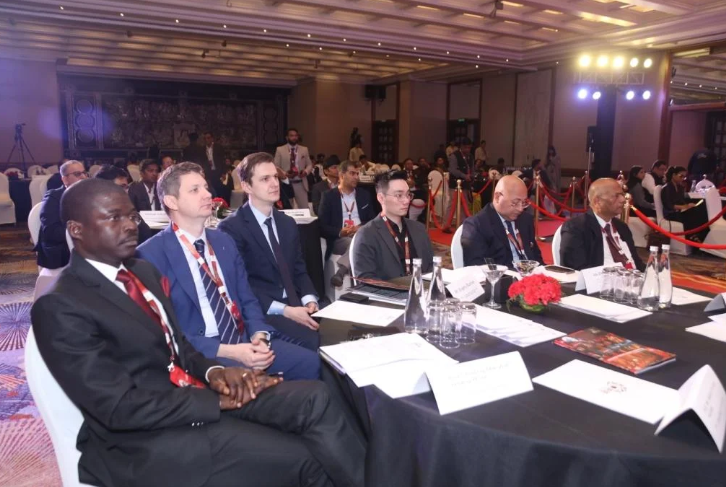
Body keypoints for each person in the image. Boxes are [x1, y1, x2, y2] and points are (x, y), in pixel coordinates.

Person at [33, 178, 365, 487]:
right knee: (304, 456)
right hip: (146, 440)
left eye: (132, 216)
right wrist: (214, 399)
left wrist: (217, 372)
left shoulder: (141, 272)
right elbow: (118, 408)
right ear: (76, 229)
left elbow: (178, 345)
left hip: (194, 394)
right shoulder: (62, 305)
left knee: (316, 398)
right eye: (114, 217)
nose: (130, 225)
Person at [137, 163, 320, 379]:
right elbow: (164, 330)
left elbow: (247, 299)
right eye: (195, 190)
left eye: (205, 187)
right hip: (203, 353)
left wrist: (259, 336)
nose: (207, 194)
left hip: (244, 338)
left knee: (313, 363)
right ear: (171, 201)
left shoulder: (223, 241)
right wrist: (230, 351)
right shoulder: (150, 255)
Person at [218, 154, 322, 352]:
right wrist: (286, 310)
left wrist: (309, 300)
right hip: (264, 310)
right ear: (247, 186)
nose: (275, 183)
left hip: (296, 303)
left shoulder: (287, 223)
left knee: (342, 332)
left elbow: (299, 269)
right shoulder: (232, 228)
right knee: (316, 343)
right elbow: (241, 285)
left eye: (275, 177)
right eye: (265, 179)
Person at [352, 171, 434, 281]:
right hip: (386, 291)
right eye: (399, 195)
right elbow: (366, 280)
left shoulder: (419, 228)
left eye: (408, 195)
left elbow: (431, 267)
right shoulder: (367, 234)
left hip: (421, 289)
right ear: (381, 198)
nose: (406, 201)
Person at [560, 178, 645, 271]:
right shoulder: (577, 228)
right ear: (597, 201)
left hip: (634, 277)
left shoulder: (621, 227)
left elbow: (637, 263)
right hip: (602, 278)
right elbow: (575, 269)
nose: (623, 199)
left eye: (622, 194)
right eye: (616, 196)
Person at [462, 175, 543, 268]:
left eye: (524, 202)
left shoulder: (526, 219)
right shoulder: (477, 225)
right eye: (515, 203)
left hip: (531, 274)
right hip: (504, 275)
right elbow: (477, 268)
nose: (520, 208)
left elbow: (537, 259)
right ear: (497, 197)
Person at [318, 160, 376, 287]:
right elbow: (321, 226)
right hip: (340, 239)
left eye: (357, 174)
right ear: (342, 175)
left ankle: (341, 272)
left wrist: (360, 227)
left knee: (360, 241)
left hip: (362, 234)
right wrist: (340, 232)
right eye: (352, 173)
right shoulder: (328, 196)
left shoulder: (364, 195)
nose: (356, 177)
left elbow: (372, 220)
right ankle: (359, 285)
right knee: (355, 243)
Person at [35, 160, 87, 270]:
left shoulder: (89, 196)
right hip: (60, 252)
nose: (83, 177)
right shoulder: (53, 198)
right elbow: (51, 232)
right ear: (65, 179)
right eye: (77, 174)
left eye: (84, 173)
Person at [95, 165, 153, 245]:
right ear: (104, 188)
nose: (126, 192)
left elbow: (146, 234)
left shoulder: (129, 210)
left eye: (126, 187)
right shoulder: (96, 216)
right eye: (121, 187)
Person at [661, 165, 709, 242]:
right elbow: (669, 206)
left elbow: (682, 201)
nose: (683, 178)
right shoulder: (666, 187)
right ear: (674, 175)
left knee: (703, 211)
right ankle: (694, 236)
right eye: (681, 176)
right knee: (697, 214)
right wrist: (685, 206)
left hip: (679, 211)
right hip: (671, 214)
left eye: (684, 177)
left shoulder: (680, 187)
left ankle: (698, 235)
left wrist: (688, 205)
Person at [274, 128, 312, 209]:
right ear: (287, 137)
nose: (294, 138)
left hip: (300, 183)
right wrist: (285, 174)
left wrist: (305, 171)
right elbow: (276, 166)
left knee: (304, 208)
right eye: (291, 136)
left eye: (296, 136)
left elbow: (309, 164)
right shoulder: (280, 149)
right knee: (287, 209)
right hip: (286, 183)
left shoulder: (304, 149)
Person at [443, 137, 473, 232]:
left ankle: (463, 225)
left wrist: (471, 175)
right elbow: (452, 170)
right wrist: (464, 176)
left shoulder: (470, 156)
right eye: (466, 147)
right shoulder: (454, 156)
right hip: (455, 184)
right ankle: (446, 225)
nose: (467, 150)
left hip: (466, 184)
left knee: (465, 205)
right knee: (452, 204)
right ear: (461, 146)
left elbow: (471, 168)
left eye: (469, 147)